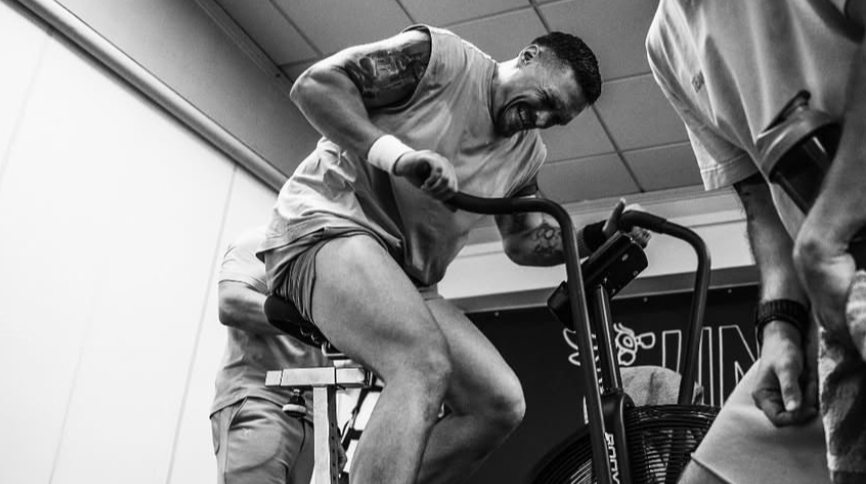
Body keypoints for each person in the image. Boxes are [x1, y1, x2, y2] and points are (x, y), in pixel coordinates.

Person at [258, 24, 644, 484]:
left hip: (408, 278)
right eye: (545, 100)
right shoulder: (441, 60)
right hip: (327, 224)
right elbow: (315, 86)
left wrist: (598, 237)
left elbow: (524, 241)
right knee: (420, 362)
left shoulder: (526, 155)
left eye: (555, 118)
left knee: (499, 403)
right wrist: (398, 157)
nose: (541, 119)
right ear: (528, 57)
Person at [646, 1, 866, 482]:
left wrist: (827, 231)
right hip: (830, 291)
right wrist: (780, 325)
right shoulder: (665, 43)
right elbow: (762, 200)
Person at [210, 226, 330, 484]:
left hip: (309, 418)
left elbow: (325, 357)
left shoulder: (328, 263)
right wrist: (307, 321)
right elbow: (230, 302)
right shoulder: (260, 242)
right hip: (261, 401)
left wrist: (330, 429)